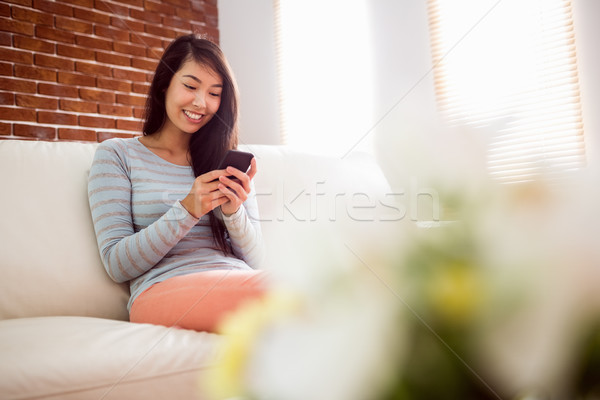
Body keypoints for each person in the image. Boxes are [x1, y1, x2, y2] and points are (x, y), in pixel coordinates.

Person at [88, 34, 267, 333]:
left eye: (214, 93)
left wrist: (233, 213)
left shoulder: (226, 162)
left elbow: (257, 259)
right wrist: (187, 209)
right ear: (164, 85)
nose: (201, 102)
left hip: (238, 279)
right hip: (163, 289)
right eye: (190, 86)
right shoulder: (117, 155)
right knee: (296, 292)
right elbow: (117, 264)